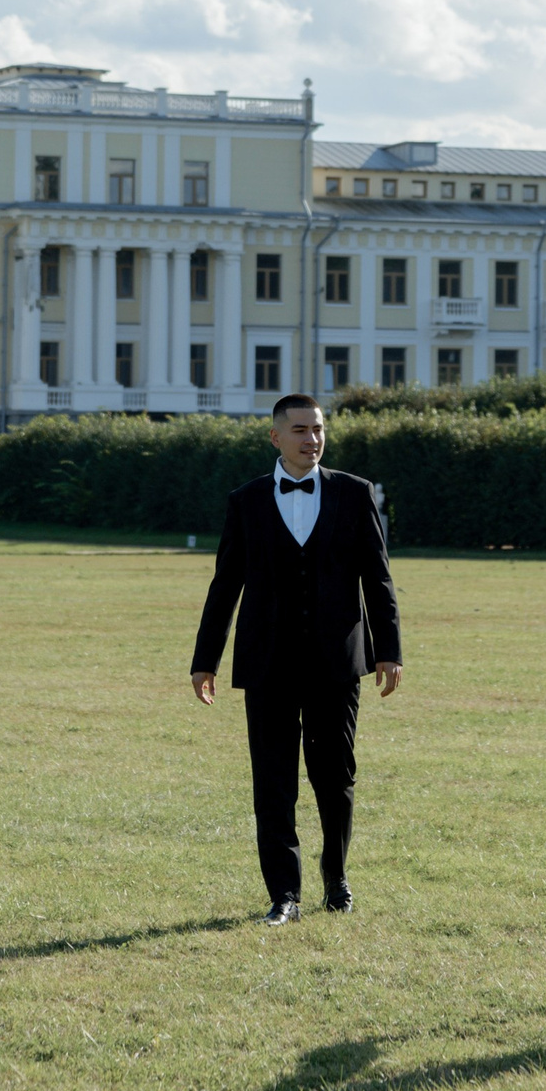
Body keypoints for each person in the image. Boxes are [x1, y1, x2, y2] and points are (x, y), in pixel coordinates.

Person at [190, 391, 402, 925]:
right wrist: (205, 659)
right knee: (273, 782)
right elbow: (225, 585)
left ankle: (337, 877)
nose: (313, 439)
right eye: (302, 430)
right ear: (276, 437)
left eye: (319, 428)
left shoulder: (354, 493)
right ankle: (284, 894)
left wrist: (389, 651)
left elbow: (377, 579)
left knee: (335, 776)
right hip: (268, 664)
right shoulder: (246, 500)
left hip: (337, 664)